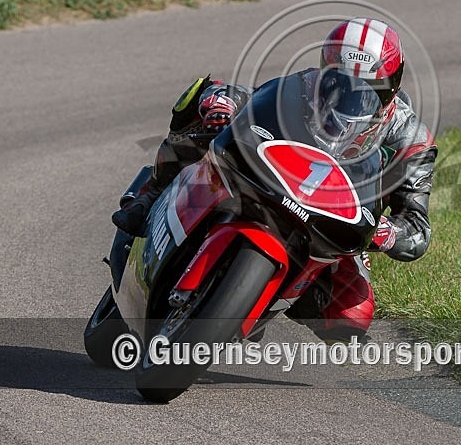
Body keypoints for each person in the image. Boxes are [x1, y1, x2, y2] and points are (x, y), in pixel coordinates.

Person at [112, 17, 437, 341]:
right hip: (279, 175)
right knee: (202, 102)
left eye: (369, 88)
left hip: (339, 211)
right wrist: (223, 103)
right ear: (324, 68)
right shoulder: (308, 86)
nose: (349, 96)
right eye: (338, 81)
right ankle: (151, 193)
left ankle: (256, 301)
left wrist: (387, 232)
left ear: (393, 84)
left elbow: (417, 228)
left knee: (352, 316)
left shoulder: (411, 139)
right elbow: (256, 98)